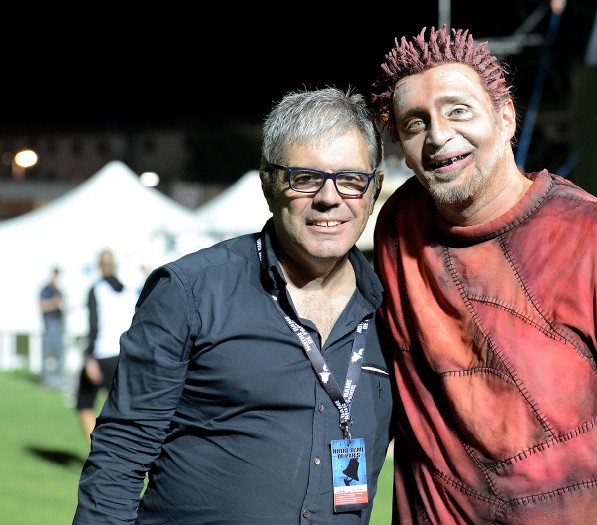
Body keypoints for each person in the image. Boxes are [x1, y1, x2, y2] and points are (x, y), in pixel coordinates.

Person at [370, 26, 597, 524]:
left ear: (505, 117)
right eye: (415, 122)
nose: (438, 135)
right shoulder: (398, 229)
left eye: (459, 110)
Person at [73, 87, 393, 524]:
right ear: (268, 185)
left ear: (374, 189)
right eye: (304, 178)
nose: (329, 197)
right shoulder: (190, 292)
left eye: (351, 179)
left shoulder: (397, 312)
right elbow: (119, 460)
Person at [75, 248, 137, 445]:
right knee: (121, 409)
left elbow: (94, 326)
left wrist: (89, 357)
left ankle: (97, 450)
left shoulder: (96, 290)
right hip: (124, 355)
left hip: (101, 355)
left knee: (84, 405)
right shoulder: (129, 292)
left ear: (100, 267)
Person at [39, 266, 66, 389]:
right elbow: (42, 306)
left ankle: (58, 378)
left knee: (59, 352)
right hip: (50, 324)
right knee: (46, 351)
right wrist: (54, 303)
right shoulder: (46, 290)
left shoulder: (58, 290)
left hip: (58, 324)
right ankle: (43, 378)